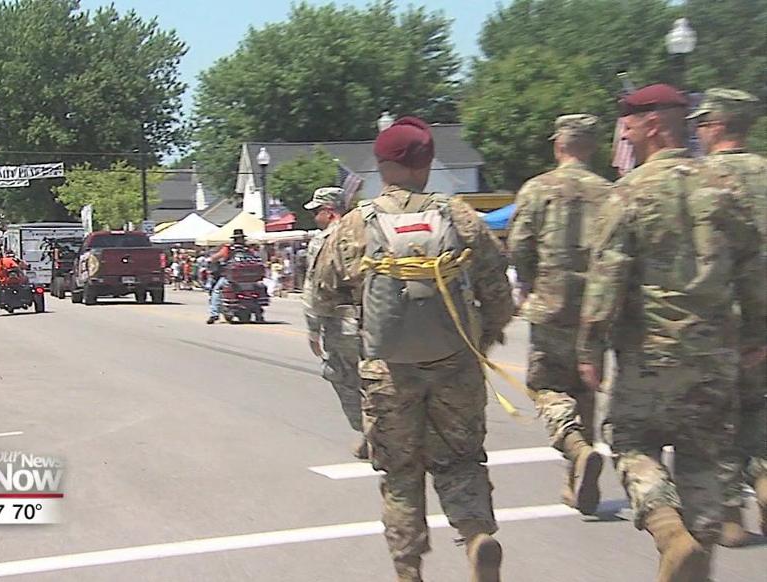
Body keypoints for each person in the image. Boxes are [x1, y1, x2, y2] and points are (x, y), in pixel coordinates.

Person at [577, 84, 766, 581]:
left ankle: (666, 527)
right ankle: (694, 559)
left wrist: (590, 347)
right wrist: (757, 334)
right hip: (715, 356)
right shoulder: (724, 188)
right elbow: (752, 268)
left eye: (630, 124)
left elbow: (606, 278)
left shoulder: (629, 193)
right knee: (705, 462)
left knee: (632, 444)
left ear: (653, 124)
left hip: (650, 356)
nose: (625, 132)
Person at [317, 116, 514, 581]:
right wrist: (479, 339)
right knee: (461, 460)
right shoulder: (461, 216)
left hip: (388, 372)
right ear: (425, 163)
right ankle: (476, 537)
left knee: (402, 476)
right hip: (455, 365)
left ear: (381, 166)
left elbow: (324, 294)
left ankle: (409, 571)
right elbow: (500, 295)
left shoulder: (354, 225)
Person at [508, 114, 612, 515]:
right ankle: (577, 480)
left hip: (551, 306)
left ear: (559, 145)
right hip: (595, 308)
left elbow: (520, 244)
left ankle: (575, 446)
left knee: (548, 387)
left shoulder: (538, 190)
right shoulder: (610, 192)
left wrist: (532, 282)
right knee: (586, 387)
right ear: (592, 147)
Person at [688, 87, 767, 546]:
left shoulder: (701, 178)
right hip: (763, 318)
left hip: (715, 322)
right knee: (758, 408)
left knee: (716, 419)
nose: (696, 133)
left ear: (717, 126)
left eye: (701, 124)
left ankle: (730, 515)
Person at [302, 186, 368, 459]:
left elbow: (315, 286)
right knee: (378, 381)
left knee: (340, 376)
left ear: (329, 212)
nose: (314, 217)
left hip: (342, 324)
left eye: (317, 211)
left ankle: (370, 433)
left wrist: (312, 328)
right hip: (376, 321)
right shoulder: (368, 232)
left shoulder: (325, 239)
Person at [205, 229, 254, 324]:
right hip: (249, 278)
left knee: (217, 290)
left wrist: (210, 260)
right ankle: (257, 313)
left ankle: (214, 314)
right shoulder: (248, 249)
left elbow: (214, 258)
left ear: (234, 239)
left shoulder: (228, 248)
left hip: (232, 277)